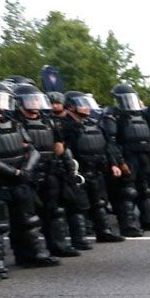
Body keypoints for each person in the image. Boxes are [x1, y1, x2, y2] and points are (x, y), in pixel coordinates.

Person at [0, 80, 61, 277]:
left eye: (0, 98)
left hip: (20, 179)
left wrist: (26, 170)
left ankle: (33, 254)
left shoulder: (14, 122)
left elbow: (31, 148)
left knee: (28, 219)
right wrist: (12, 172)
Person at [12, 83, 81, 257]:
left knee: (54, 211)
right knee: (27, 216)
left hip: (50, 170)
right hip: (27, 173)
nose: (35, 103)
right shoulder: (15, 121)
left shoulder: (48, 120)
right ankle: (29, 254)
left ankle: (58, 246)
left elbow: (59, 145)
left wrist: (65, 163)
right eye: (31, 99)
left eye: (37, 99)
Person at [60, 91, 126, 245]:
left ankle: (104, 232)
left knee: (99, 203)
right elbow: (63, 150)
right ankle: (80, 239)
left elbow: (106, 146)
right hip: (78, 172)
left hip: (96, 170)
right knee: (78, 206)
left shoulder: (93, 123)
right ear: (70, 106)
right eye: (82, 104)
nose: (86, 108)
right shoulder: (65, 126)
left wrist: (113, 164)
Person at [100, 84, 150, 234]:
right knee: (127, 192)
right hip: (128, 156)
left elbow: (149, 138)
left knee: (147, 190)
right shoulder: (112, 115)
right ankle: (128, 225)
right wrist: (120, 162)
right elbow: (111, 142)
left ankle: (148, 219)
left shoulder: (140, 115)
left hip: (144, 156)